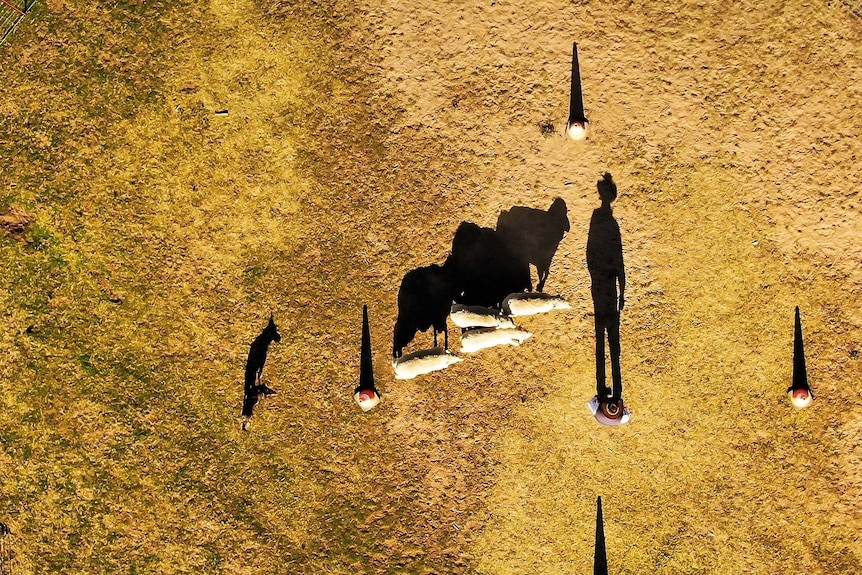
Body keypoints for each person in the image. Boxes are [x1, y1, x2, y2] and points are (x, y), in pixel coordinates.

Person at [586, 173, 626, 408]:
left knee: (602, 330)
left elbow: (590, 252)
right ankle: (614, 387)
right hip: (608, 284)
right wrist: (622, 291)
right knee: (611, 334)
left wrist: (595, 273)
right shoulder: (610, 223)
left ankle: (605, 387)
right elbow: (619, 259)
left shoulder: (599, 220)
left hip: (601, 283)